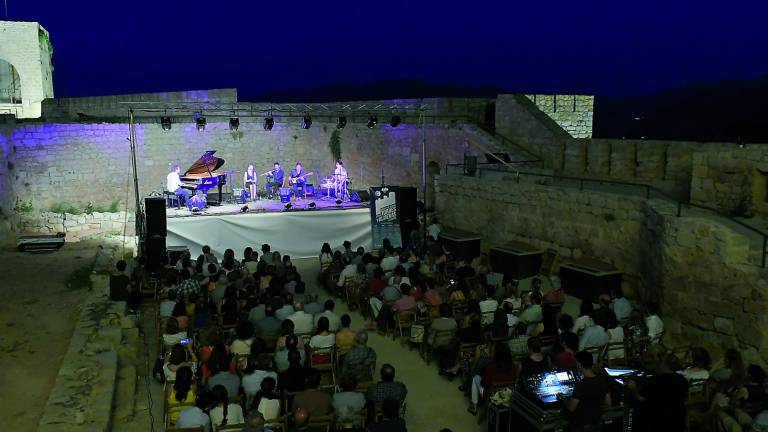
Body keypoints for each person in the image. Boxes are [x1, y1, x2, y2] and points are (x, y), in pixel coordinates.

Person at [628, 353, 689, 432]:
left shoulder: (655, 381)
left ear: (663, 364)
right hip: (678, 423)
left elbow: (641, 399)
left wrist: (633, 389)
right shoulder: (683, 380)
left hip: (658, 423)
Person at [557, 351, 611, 431]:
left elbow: (571, 408)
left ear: (579, 364)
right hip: (598, 425)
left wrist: (563, 398)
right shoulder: (602, 380)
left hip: (581, 427)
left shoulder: (580, 385)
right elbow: (608, 403)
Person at [468, 344, 518, 415]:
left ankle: (474, 407)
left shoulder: (490, 367)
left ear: (496, 354)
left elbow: (483, 383)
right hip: (507, 395)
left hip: (491, 395)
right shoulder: (513, 366)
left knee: (476, 377)